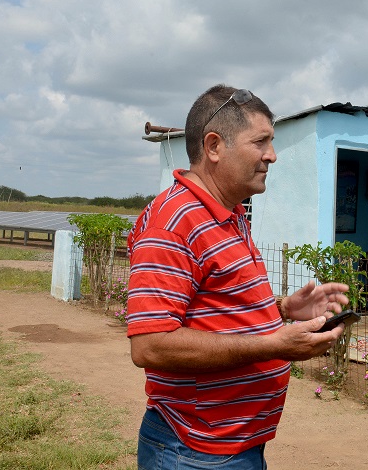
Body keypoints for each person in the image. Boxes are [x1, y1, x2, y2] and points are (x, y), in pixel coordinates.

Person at [126, 84, 350, 469]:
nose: (272, 156)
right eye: (261, 142)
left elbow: (213, 305)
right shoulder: (174, 222)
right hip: (193, 451)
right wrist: (273, 345)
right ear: (214, 147)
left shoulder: (229, 214)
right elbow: (150, 345)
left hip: (233, 446)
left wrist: (281, 309)